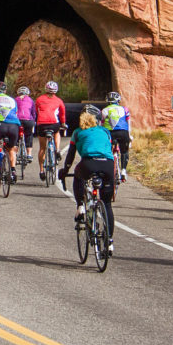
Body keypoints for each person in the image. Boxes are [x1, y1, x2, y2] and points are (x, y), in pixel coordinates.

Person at [58, 104, 116, 254]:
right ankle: (109, 242)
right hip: (108, 165)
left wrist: (65, 171)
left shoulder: (77, 132)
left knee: (78, 176)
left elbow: (70, 154)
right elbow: (109, 149)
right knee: (107, 204)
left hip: (89, 164)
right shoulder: (105, 131)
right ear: (97, 120)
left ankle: (81, 206)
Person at [35, 80, 67, 181]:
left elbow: (37, 112)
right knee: (57, 132)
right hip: (54, 124)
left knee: (42, 148)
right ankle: (57, 149)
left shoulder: (39, 99)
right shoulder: (59, 101)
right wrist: (63, 123)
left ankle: (41, 170)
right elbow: (62, 114)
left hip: (42, 124)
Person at [101, 91, 132, 182]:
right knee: (124, 151)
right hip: (123, 132)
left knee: (107, 151)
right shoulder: (125, 109)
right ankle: (123, 171)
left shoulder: (104, 110)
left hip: (110, 133)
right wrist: (129, 136)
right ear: (118, 100)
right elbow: (129, 124)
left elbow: (100, 125)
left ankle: (107, 168)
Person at [15, 86, 36, 162]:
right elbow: (33, 113)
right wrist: (33, 122)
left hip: (17, 120)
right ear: (28, 93)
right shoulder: (31, 100)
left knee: (15, 137)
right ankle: (29, 155)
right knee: (29, 135)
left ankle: (15, 155)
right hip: (28, 121)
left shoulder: (15, 100)